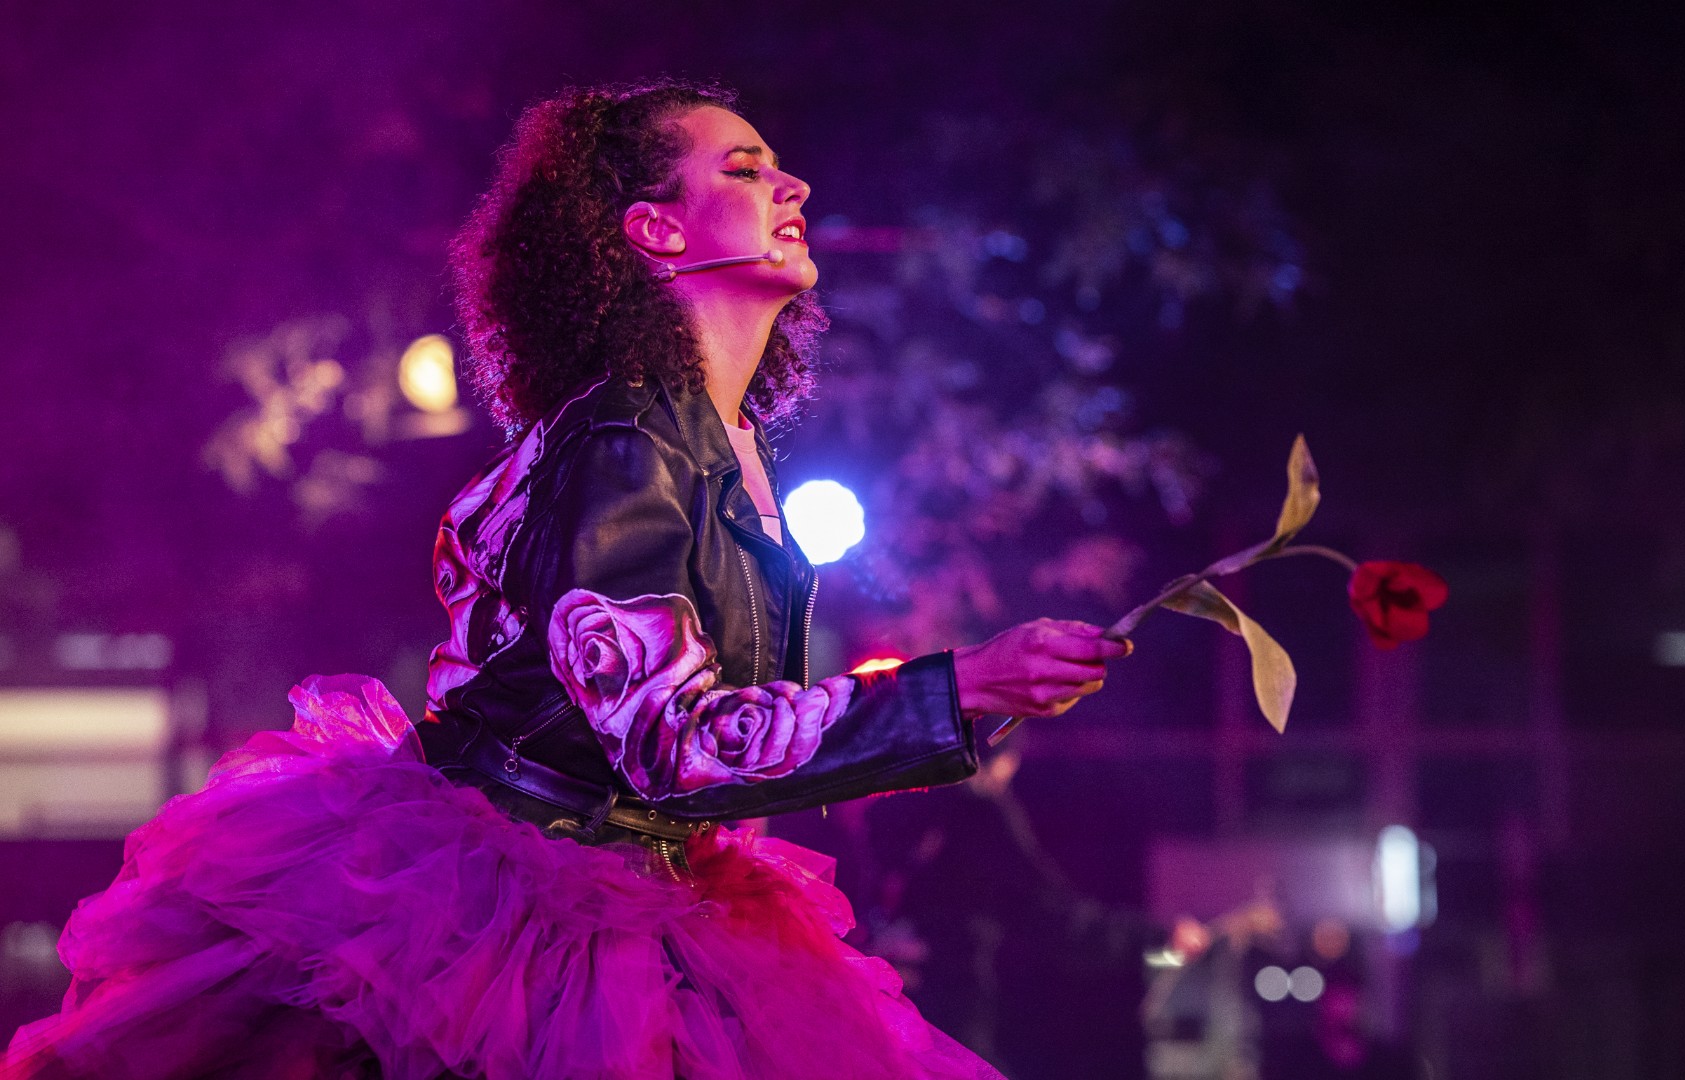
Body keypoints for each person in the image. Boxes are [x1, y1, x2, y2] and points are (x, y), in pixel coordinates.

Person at [4, 79, 1129, 1080]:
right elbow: (670, 742)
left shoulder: (706, 439)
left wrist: (968, 696)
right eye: (741, 168)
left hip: (637, 901)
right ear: (656, 231)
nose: (791, 180)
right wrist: (960, 686)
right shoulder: (629, 439)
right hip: (510, 931)